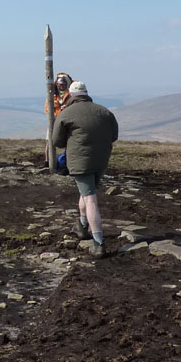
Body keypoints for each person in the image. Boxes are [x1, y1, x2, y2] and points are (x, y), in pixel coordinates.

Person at [52, 80, 118, 259]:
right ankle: (82, 226)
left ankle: (98, 243)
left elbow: (57, 141)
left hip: (80, 162)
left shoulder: (67, 113)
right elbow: (114, 135)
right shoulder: (104, 111)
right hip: (101, 159)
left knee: (90, 199)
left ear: (71, 95)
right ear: (86, 93)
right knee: (86, 192)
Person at [44, 71, 73, 160]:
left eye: (63, 84)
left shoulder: (71, 94)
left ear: (67, 84)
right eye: (60, 84)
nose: (61, 86)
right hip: (54, 121)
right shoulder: (52, 95)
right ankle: (47, 161)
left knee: (69, 142)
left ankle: (67, 162)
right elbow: (47, 109)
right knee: (50, 142)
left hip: (67, 121)